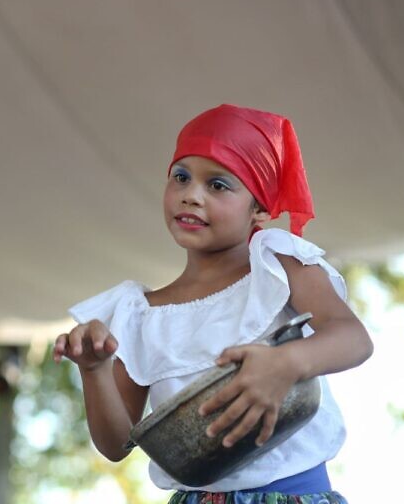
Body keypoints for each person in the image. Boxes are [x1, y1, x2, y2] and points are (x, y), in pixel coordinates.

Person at [53, 104, 373, 503]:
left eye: (218, 185)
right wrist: (95, 370)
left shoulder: (277, 266)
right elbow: (117, 445)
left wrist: (287, 364)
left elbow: (354, 339)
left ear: (258, 207)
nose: (191, 196)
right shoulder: (142, 313)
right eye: (181, 177)